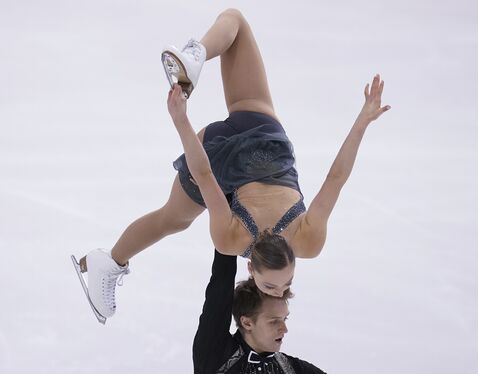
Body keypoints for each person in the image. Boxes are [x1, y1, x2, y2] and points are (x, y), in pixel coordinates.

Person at [73, 8, 390, 321]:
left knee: (235, 20)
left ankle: (198, 56)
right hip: (226, 150)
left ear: (252, 270)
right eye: (287, 284)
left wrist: (363, 121)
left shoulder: (305, 240)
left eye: (272, 286)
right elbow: (204, 173)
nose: (281, 289)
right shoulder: (237, 240)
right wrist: (181, 123)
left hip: (263, 137)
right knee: (172, 219)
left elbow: (335, 178)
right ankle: (110, 261)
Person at [193, 248, 326, 373]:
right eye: (274, 321)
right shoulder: (216, 356)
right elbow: (221, 285)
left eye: (284, 319)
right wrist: (229, 239)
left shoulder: (289, 368)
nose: (284, 329)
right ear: (247, 323)